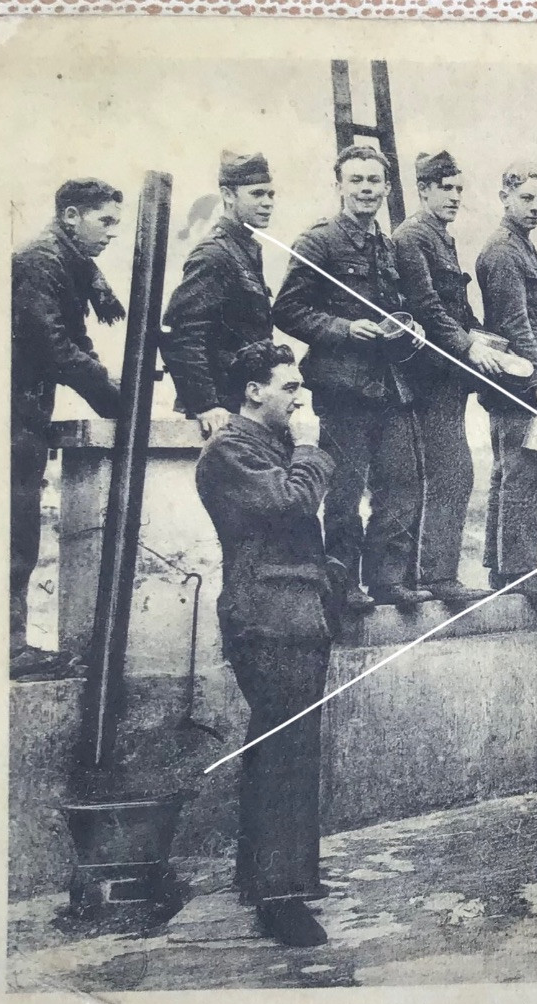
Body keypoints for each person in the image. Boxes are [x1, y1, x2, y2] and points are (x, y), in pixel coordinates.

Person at [194, 340, 335, 948]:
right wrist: (309, 446)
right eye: (287, 385)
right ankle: (280, 899)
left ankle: (269, 875)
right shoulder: (229, 449)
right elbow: (290, 500)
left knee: (282, 742)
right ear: (253, 390)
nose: (298, 395)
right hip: (267, 611)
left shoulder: (266, 446)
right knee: (285, 750)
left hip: (296, 606)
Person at [273, 144, 429, 611]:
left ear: (385, 188)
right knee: (343, 493)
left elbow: (398, 305)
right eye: (357, 180)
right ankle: (342, 586)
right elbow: (287, 310)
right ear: (339, 186)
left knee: (401, 484)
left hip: (389, 386)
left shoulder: (388, 244)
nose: (366, 189)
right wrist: (342, 329)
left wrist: (411, 327)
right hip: (341, 387)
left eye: (374, 181)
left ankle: (387, 580)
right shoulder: (318, 241)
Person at [11, 178, 125, 680]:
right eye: (106, 221)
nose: (113, 233)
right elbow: (55, 347)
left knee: (19, 533)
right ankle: (8, 651)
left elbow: (75, 339)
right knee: (12, 536)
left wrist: (108, 390)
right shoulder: (44, 261)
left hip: (22, 414)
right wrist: (115, 399)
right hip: (12, 416)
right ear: (72, 215)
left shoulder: (65, 262)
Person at [392, 150, 492, 605]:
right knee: (448, 473)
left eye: (459, 190)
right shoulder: (414, 236)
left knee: (451, 474)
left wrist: (483, 336)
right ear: (424, 190)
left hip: (448, 377)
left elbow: (456, 308)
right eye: (445, 189)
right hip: (428, 377)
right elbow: (427, 308)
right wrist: (470, 344)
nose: (454, 197)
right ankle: (434, 575)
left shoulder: (440, 237)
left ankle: (434, 573)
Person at [474, 161, 537, 602]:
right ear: (505, 197)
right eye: (527, 198)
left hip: (523, 382)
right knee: (526, 477)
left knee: (510, 475)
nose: (535, 207)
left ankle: (501, 569)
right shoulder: (503, 251)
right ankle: (518, 574)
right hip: (522, 384)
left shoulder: (520, 247)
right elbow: (517, 325)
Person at [161, 152, 277, 438]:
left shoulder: (246, 250)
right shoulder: (214, 254)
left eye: (271, 194)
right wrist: (205, 404)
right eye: (257, 194)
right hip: (220, 412)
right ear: (228, 195)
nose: (268, 203)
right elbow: (184, 334)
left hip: (243, 402)